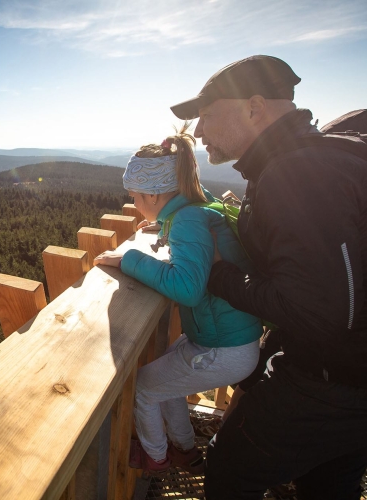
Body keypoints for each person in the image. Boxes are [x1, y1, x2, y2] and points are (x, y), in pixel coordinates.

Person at [170, 55, 367, 499]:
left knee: (230, 470)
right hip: (351, 379)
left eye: (206, 116)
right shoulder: (310, 160)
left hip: (330, 381)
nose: (198, 132)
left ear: (254, 107)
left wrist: (219, 274)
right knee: (328, 483)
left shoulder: (296, 173)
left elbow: (317, 311)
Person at [94, 124, 263, 475]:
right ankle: (184, 448)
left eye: (136, 197)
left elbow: (188, 288)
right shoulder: (195, 210)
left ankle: (157, 457)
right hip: (223, 337)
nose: (135, 205)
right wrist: (163, 227)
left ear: (154, 196)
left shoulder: (187, 221)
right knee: (164, 378)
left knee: (143, 387)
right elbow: (199, 241)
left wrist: (129, 259)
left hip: (223, 347)